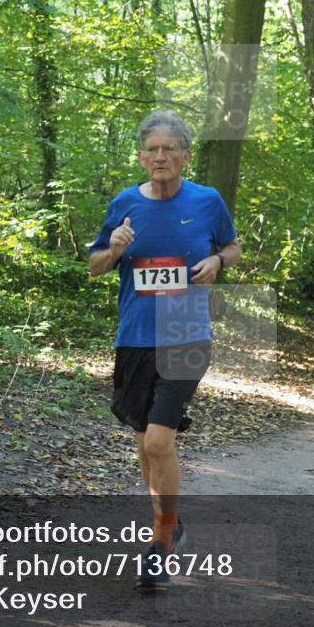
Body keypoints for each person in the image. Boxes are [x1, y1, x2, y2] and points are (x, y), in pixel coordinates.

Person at [88, 110, 240, 587]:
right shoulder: (124, 204)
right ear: (141, 157)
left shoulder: (207, 201)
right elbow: (94, 266)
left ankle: (162, 538)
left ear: (185, 157)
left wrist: (217, 260)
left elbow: (233, 247)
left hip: (186, 333)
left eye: (169, 149)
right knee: (144, 446)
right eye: (152, 150)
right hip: (134, 337)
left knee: (159, 441)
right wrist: (112, 249)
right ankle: (169, 525)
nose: (160, 157)